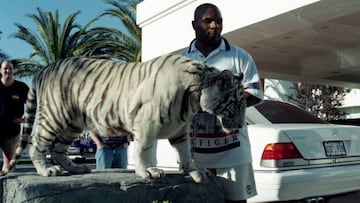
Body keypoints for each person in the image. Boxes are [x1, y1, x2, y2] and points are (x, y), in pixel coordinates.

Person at [180, 3, 264, 203]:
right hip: (195, 157)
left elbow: (254, 92)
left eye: (218, 21)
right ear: (194, 25)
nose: (214, 25)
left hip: (234, 153)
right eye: (208, 21)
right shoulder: (182, 60)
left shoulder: (240, 56)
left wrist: (221, 99)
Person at [0, 60, 29, 173]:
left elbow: (34, 104)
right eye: (6, 68)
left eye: (11, 68)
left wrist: (25, 119)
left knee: (8, 167)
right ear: (0, 70)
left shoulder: (21, 87)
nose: (8, 71)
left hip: (12, 132)